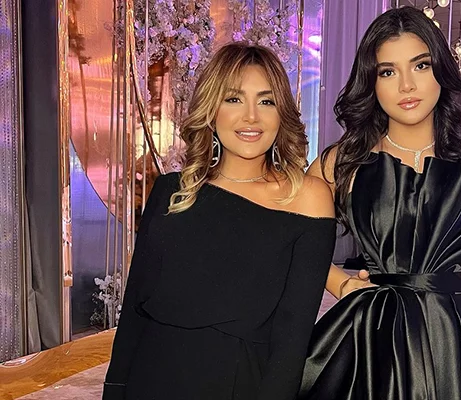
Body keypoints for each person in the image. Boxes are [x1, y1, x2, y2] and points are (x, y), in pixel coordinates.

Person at [299, 6, 461, 400]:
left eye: (420, 66)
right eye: (388, 72)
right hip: (368, 346)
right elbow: (293, 242)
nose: (406, 85)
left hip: (455, 348)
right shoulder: (341, 164)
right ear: (371, 82)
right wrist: (339, 283)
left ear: (440, 69)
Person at [102, 43, 336, 400]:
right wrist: (115, 391)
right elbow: (135, 311)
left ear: (281, 114)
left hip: (239, 385)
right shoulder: (172, 191)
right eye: (234, 99)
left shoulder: (307, 197)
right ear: (211, 110)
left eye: (266, 101)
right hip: (150, 377)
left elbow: (292, 339)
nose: (251, 117)